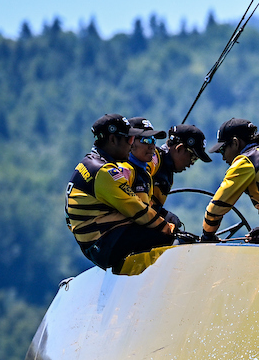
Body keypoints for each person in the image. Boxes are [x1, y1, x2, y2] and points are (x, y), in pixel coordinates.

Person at [65, 114, 177, 271]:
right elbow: (136, 209)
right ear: (112, 140)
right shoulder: (104, 171)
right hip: (102, 244)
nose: (131, 145)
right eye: (129, 139)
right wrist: (167, 229)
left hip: (95, 241)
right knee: (166, 237)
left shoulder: (89, 163)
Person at [149, 124, 212, 228]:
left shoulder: (168, 171)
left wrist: (163, 214)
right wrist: (164, 215)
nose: (192, 163)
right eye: (193, 157)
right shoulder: (153, 159)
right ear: (180, 148)